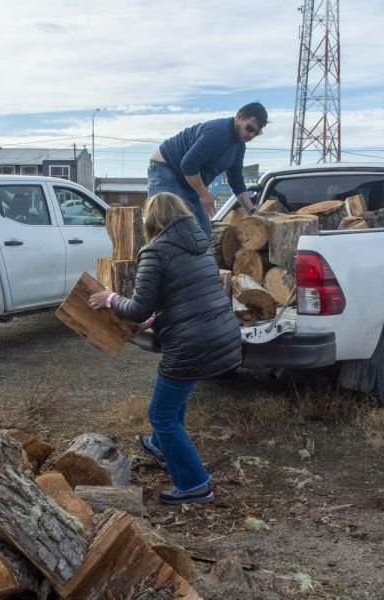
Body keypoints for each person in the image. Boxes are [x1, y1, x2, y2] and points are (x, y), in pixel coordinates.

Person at [89, 192, 242, 505]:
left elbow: (138, 307)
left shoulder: (155, 251)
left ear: (153, 219)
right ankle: (161, 446)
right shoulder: (199, 245)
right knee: (174, 402)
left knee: (160, 414)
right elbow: (184, 295)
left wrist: (111, 299)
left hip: (191, 343)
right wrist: (154, 319)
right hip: (220, 334)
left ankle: (195, 485)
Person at [148, 102, 268, 236]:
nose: (251, 135)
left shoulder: (239, 147)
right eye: (250, 128)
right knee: (166, 226)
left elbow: (237, 182)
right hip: (167, 170)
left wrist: (252, 212)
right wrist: (204, 195)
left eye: (257, 133)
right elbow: (188, 164)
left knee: (203, 229)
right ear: (239, 117)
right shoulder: (218, 132)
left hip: (190, 181)